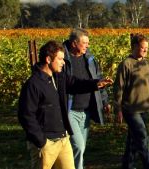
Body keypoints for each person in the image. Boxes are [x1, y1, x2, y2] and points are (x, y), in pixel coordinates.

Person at [18, 40, 112, 169]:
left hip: (63, 139)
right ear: (48, 59)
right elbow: (26, 115)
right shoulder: (33, 84)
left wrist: (96, 84)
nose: (63, 62)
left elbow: (74, 83)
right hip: (46, 143)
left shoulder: (58, 77)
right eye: (60, 59)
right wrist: (41, 141)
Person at [62, 28, 111, 169]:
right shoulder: (63, 59)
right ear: (74, 43)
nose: (87, 45)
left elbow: (98, 81)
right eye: (84, 43)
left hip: (86, 110)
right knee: (79, 146)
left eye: (88, 43)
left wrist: (105, 100)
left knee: (79, 148)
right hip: (70, 109)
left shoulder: (89, 59)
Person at [113, 34, 149, 169]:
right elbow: (118, 87)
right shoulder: (126, 64)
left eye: (147, 48)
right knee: (142, 137)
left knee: (133, 140)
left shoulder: (146, 63)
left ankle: (127, 165)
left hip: (144, 107)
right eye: (143, 48)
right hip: (131, 109)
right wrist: (118, 109)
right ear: (135, 47)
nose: (145, 50)